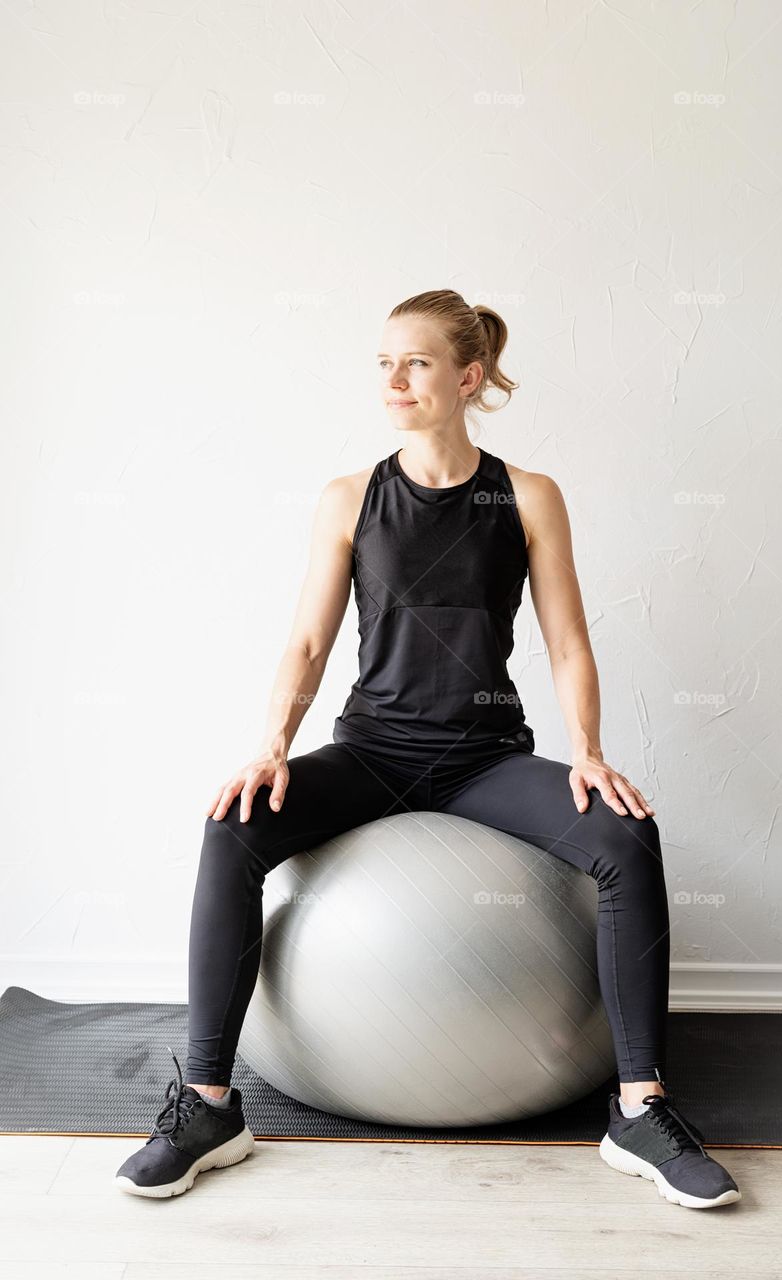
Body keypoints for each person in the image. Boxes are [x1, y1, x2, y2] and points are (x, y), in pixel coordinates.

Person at [115, 289, 741, 1209]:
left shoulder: (527, 495)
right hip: (372, 753)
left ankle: (640, 1109)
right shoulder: (350, 498)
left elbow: (568, 639)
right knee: (230, 826)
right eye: (382, 364)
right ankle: (210, 1105)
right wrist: (272, 746)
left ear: (467, 376)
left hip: (485, 758)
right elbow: (307, 642)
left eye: (412, 363)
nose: (392, 380)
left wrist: (591, 753)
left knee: (624, 834)